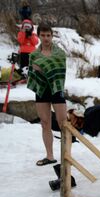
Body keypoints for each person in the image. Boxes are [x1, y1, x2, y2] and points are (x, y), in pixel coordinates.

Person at [27, 24, 67, 166]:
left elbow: (60, 71)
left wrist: (42, 68)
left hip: (56, 89)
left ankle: (66, 157)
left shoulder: (59, 53)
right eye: (43, 35)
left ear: (52, 36)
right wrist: (38, 69)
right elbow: (32, 74)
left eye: (48, 35)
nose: (46, 38)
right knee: (45, 124)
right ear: (38, 36)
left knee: (64, 125)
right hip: (42, 90)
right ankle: (50, 156)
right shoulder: (34, 55)